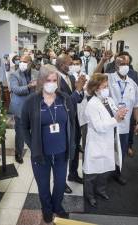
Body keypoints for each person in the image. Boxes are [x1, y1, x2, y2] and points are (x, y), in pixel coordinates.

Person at [21, 64, 76, 223]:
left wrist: (72, 144)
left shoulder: (64, 99)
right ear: (41, 81)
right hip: (41, 154)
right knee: (43, 186)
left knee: (59, 184)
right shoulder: (32, 101)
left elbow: (71, 122)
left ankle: (57, 206)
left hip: (61, 152)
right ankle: (47, 209)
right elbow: (23, 126)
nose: (52, 83)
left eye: (54, 80)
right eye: (48, 80)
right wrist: (32, 145)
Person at [95, 55, 138, 185]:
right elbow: (95, 75)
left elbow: (136, 106)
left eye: (126, 64)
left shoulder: (133, 84)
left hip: (124, 125)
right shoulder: (108, 78)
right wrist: (103, 60)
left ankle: (118, 172)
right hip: (108, 122)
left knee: (121, 150)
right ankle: (102, 174)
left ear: (129, 65)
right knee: (106, 149)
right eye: (120, 64)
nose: (123, 66)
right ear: (115, 65)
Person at [83, 73, 127, 207]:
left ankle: (100, 190)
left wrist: (120, 114)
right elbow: (99, 127)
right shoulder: (92, 105)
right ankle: (89, 195)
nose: (106, 89)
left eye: (107, 86)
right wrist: (116, 119)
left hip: (108, 141)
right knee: (92, 173)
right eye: (103, 87)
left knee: (105, 169)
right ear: (96, 89)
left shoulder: (109, 100)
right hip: (96, 142)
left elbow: (115, 114)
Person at [56, 54, 87, 193]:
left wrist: (80, 90)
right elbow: (64, 102)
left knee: (74, 149)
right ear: (62, 65)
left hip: (73, 119)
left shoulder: (71, 77)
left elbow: (78, 99)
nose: (73, 66)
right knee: (63, 153)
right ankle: (60, 183)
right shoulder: (55, 79)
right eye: (70, 63)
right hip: (62, 122)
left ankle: (73, 174)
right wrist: (78, 90)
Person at [9, 55, 36, 164]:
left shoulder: (35, 73)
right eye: (20, 61)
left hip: (33, 106)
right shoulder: (14, 75)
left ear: (30, 63)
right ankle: (18, 153)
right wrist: (29, 87)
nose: (22, 63)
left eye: (25, 62)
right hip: (20, 108)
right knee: (20, 132)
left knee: (33, 130)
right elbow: (16, 90)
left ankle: (34, 149)